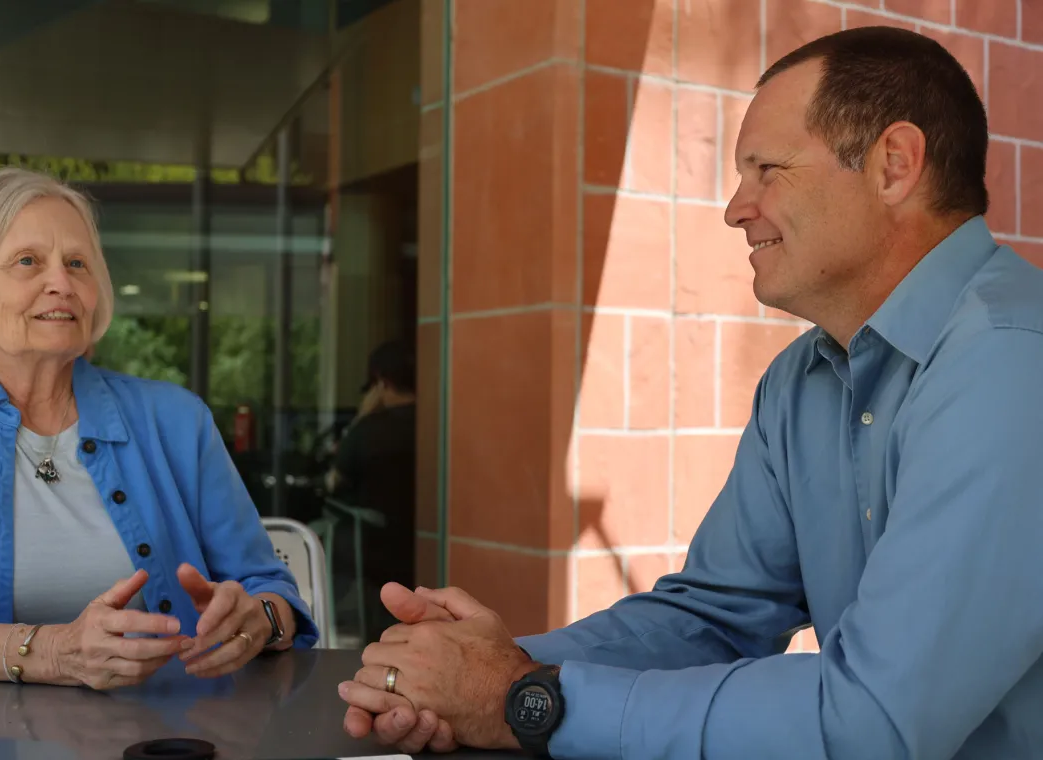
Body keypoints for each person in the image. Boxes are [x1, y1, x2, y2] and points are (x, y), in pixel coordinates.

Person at [336, 26, 1043, 759]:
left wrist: (523, 699)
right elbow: (712, 616)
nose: (737, 207)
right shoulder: (802, 379)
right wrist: (472, 669)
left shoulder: (1012, 365)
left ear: (893, 165)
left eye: (768, 168)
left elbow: (872, 720)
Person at [0, 167, 317, 689]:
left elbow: (268, 589)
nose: (62, 283)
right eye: (28, 261)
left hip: (174, 733)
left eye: (78, 263)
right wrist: (51, 653)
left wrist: (258, 619)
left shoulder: (176, 419)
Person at [325, 339, 417, 640]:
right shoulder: (432, 422)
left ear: (381, 382)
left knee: (323, 537)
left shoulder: (370, 429)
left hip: (374, 544)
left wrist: (363, 416)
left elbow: (334, 481)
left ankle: (325, 623)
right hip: (418, 545)